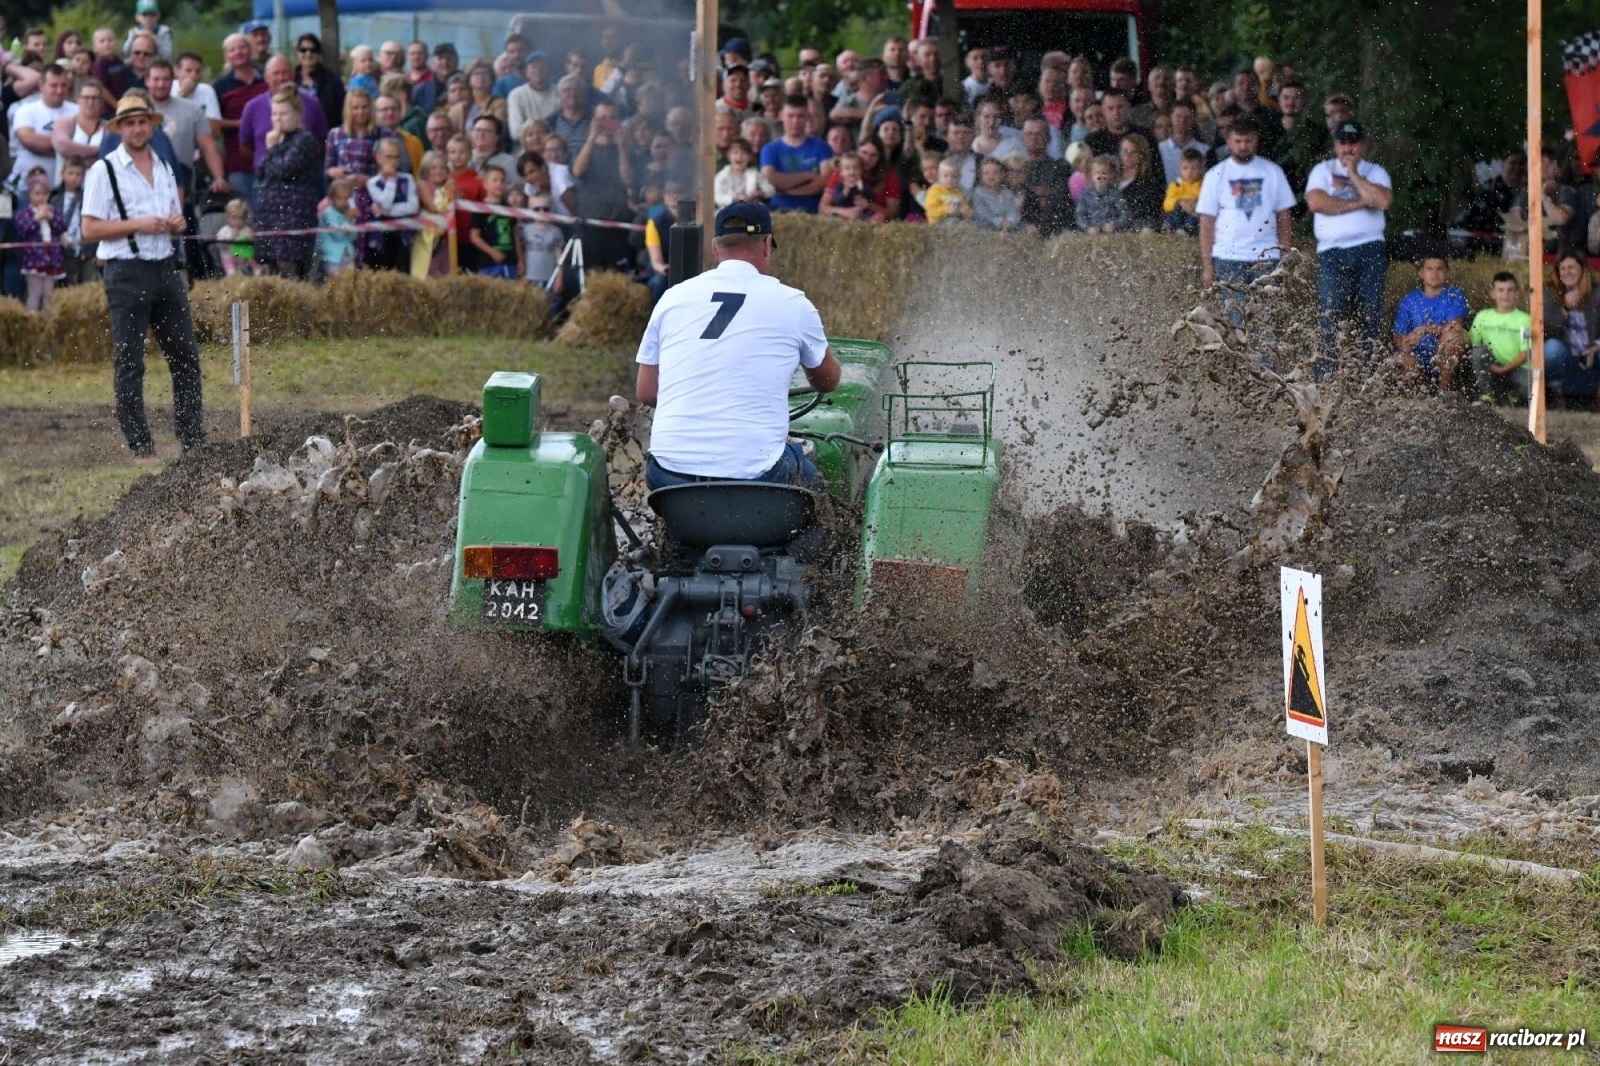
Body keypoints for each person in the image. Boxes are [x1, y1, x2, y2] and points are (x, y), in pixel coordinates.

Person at [635, 201, 841, 491]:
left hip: (668, 474)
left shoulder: (671, 298)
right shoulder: (794, 303)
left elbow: (646, 392)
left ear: (715, 248)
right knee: (819, 490)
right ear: (767, 244)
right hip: (756, 474)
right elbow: (828, 381)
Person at [82, 94, 203, 460]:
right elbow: (89, 228)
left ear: (151, 125)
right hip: (126, 270)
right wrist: (137, 224)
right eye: (130, 123)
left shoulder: (164, 165)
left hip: (165, 266)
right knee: (130, 361)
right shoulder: (103, 170)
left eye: (142, 122)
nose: (137, 128)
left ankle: (193, 441)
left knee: (186, 356)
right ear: (120, 128)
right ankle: (141, 446)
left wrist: (178, 222)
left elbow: (175, 215)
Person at [1306, 120, 1392, 369]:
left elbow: (1382, 201)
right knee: (1330, 314)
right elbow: (1316, 203)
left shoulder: (1375, 171)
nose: (1348, 149)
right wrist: (1359, 203)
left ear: (1363, 145)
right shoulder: (1322, 171)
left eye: (1353, 143)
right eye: (1343, 143)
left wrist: (1353, 173)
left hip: (1370, 248)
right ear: (1335, 145)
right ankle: (1326, 378)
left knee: (1370, 313)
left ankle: (1367, 376)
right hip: (1331, 252)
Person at [1196, 114, 1295, 291]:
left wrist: (1284, 258)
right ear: (1228, 141)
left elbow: (1284, 217)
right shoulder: (1215, 175)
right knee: (1233, 309)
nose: (1243, 146)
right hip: (1228, 256)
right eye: (1238, 141)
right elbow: (1206, 222)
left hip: (1267, 255)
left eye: (1248, 141)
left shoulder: (1273, 172)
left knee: (1266, 309)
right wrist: (1207, 266)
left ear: (1256, 140)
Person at [253, 85, 320, 278]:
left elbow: (284, 170)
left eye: (283, 113)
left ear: (298, 114)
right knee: (270, 270)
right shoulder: (278, 139)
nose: (278, 119)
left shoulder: (304, 140)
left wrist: (272, 148)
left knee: (288, 268)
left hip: (292, 216)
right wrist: (272, 148)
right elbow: (260, 172)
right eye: (274, 114)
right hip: (271, 216)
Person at [1392, 257, 1470, 390]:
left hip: (1441, 353)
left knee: (1453, 337)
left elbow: (1455, 326)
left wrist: (1425, 329)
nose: (1434, 273)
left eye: (1439, 269)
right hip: (1417, 354)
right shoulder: (1409, 300)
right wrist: (1407, 342)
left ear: (1448, 273)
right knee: (1402, 359)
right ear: (1421, 273)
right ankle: (1424, 391)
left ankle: (1442, 392)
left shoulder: (1455, 295)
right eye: (1430, 269)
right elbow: (1398, 337)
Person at [214, 33, 266, 201]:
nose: (238, 52)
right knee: (243, 212)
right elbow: (213, 123)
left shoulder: (266, 79)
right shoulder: (220, 87)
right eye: (232, 50)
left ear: (250, 50)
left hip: (269, 160)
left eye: (242, 47)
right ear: (226, 56)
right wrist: (240, 124)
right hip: (238, 163)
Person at [1540, 254, 1600, 399]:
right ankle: (1557, 394)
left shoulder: (1597, 293)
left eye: (1571, 267)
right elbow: (1546, 331)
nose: (1567, 272)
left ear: (1583, 270)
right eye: (1563, 268)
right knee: (1551, 348)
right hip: (1567, 358)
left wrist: (1597, 345)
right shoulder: (1551, 294)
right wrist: (1565, 308)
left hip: (1593, 357)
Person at [1467, 272, 1532, 404]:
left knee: (1529, 384)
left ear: (1517, 294)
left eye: (1510, 290)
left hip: (1517, 369)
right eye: (1501, 290)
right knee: (1478, 352)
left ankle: (1513, 397)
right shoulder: (1482, 317)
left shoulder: (1526, 320)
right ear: (1493, 294)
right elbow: (1473, 343)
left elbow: (1526, 353)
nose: (1505, 294)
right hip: (1491, 367)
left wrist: (1504, 369)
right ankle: (1486, 395)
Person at [9, 63, 75, 188]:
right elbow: (30, 141)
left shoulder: (77, 111)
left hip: (65, 187)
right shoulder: (25, 110)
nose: (59, 90)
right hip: (27, 185)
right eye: (54, 85)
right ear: (41, 85)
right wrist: (70, 146)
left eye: (63, 85)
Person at [761, 94, 830, 213]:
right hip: (778, 212)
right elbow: (770, 178)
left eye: (800, 116)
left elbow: (825, 181)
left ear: (807, 117)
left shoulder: (821, 146)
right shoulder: (770, 149)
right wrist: (809, 175)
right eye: (790, 116)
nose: (795, 121)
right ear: (781, 116)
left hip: (813, 213)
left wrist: (789, 191)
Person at [365, 137, 419, 271]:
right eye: (389, 157)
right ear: (378, 158)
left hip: (404, 237)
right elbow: (386, 203)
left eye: (396, 157)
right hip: (382, 238)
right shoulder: (373, 183)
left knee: (403, 271)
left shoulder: (408, 179)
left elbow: (413, 206)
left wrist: (387, 212)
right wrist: (391, 180)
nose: (393, 161)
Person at [13, 174, 65, 311]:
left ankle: (47, 319)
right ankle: (32, 319)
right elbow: (22, 231)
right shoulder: (24, 213)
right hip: (33, 259)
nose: (41, 197)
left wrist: (51, 217)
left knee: (49, 294)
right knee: (35, 293)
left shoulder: (53, 211)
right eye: (37, 193)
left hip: (52, 258)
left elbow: (61, 227)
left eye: (45, 194)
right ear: (29, 194)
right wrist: (36, 219)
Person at [52, 157, 97, 285]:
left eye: (78, 174)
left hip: (84, 248)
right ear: (62, 174)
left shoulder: (88, 197)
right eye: (70, 173)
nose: (74, 178)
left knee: (88, 284)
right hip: (60, 251)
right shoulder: (53, 196)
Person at [293, 34, 344, 133]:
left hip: (324, 134)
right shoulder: (291, 78)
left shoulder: (331, 79)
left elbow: (342, 110)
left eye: (313, 50)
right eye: (303, 50)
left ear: (319, 53)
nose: (308, 54)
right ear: (297, 52)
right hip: (295, 135)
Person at [507, 52, 557, 144]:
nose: (538, 70)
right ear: (526, 72)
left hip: (553, 147)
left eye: (542, 67)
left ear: (549, 71)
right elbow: (515, 132)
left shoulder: (559, 92)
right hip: (525, 147)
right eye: (533, 67)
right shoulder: (516, 95)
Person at [1117, 133, 1164, 230]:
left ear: (1141, 155)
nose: (1128, 155)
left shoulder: (1148, 184)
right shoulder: (1111, 177)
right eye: (1125, 151)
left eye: (1133, 152)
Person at [1076, 155, 1129, 234]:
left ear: (1111, 175)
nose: (1100, 177)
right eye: (1097, 173)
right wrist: (1088, 228)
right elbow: (1079, 215)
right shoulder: (1085, 194)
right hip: (1091, 234)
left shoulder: (1117, 194)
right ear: (1092, 175)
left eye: (1104, 173)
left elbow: (1125, 213)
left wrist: (1115, 224)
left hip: (1111, 234)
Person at [715, 137, 773, 207]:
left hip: (750, 208)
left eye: (743, 153)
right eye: (735, 153)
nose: (739, 156)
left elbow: (770, 190)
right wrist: (735, 198)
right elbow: (718, 197)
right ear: (728, 156)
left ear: (750, 157)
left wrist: (759, 193)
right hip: (728, 209)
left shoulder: (755, 174)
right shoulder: (722, 176)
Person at [319, 177, 358, 276]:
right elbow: (338, 236)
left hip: (347, 256)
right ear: (332, 198)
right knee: (335, 282)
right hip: (332, 258)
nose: (343, 201)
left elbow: (353, 237)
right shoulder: (328, 213)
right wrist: (348, 220)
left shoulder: (347, 213)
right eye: (339, 198)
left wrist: (352, 219)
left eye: (346, 198)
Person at [971, 156, 1021, 231]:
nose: (991, 176)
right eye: (986, 173)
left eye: (995, 172)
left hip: (1007, 227)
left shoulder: (1006, 193)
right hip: (987, 229)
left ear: (1002, 175)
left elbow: (1012, 211)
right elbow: (982, 214)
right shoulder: (978, 193)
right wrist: (1000, 222)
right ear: (981, 177)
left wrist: (1010, 221)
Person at [1163, 148, 1205, 235]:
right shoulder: (1175, 185)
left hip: (1194, 213)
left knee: (1194, 217)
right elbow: (1166, 205)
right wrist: (1180, 203)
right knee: (1175, 213)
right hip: (1179, 212)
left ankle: (1186, 230)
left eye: (1194, 168)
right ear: (1180, 169)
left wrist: (1193, 204)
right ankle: (1171, 227)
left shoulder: (1205, 186)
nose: (1189, 172)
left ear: (1201, 169)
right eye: (1185, 168)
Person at [214, 197, 260, 275]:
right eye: (234, 218)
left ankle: (258, 276)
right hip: (229, 257)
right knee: (230, 270)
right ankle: (233, 277)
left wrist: (250, 237)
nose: (238, 221)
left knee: (255, 263)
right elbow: (220, 245)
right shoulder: (224, 231)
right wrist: (232, 238)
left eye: (241, 218)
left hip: (245, 256)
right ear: (227, 217)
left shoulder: (247, 229)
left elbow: (252, 243)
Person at [925, 156, 970, 225]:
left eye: (954, 177)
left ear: (959, 177)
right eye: (945, 176)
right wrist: (946, 210)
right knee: (955, 222)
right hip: (939, 223)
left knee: (971, 223)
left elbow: (965, 206)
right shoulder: (934, 191)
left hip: (955, 221)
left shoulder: (958, 192)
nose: (949, 179)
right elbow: (931, 212)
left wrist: (966, 211)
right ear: (939, 176)